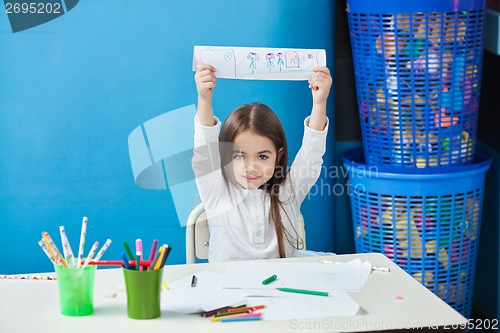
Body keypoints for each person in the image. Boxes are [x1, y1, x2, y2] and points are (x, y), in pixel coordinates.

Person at [193, 63, 332, 262]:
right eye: (239, 156)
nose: (251, 167)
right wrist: (204, 99)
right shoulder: (218, 193)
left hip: (282, 287)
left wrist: (319, 103)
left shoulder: (289, 191)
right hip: (227, 288)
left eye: (263, 157)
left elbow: (312, 153)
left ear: (279, 156)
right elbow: (204, 152)